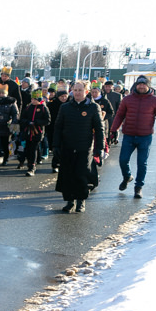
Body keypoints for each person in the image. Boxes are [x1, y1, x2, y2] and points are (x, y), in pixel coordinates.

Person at [109, 75, 156, 199]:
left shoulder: (155, 100)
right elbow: (119, 115)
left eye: (144, 84)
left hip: (145, 137)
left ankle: (138, 187)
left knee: (142, 163)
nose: (141, 86)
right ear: (136, 85)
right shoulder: (127, 99)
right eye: (139, 84)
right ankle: (127, 177)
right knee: (123, 160)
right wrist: (113, 130)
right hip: (129, 135)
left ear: (148, 86)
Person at [53, 81, 104, 213]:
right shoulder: (65, 107)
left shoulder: (93, 107)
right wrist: (56, 145)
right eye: (75, 90)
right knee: (68, 173)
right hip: (68, 145)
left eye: (80, 90)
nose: (77, 93)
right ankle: (70, 201)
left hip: (84, 147)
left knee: (82, 174)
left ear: (86, 91)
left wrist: (100, 147)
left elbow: (99, 129)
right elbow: (58, 127)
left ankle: (81, 201)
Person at [19, 89, 51, 176]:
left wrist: (36, 122)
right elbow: (22, 118)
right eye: (32, 99)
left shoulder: (44, 108)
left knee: (33, 149)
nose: (33, 101)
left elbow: (47, 121)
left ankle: (31, 167)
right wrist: (27, 122)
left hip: (37, 132)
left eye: (35, 99)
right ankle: (24, 162)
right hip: (28, 131)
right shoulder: (28, 108)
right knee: (28, 148)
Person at [47, 87, 69, 173]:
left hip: (67, 129)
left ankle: (65, 165)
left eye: (65, 96)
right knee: (57, 148)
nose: (64, 98)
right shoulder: (52, 104)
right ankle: (55, 164)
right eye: (61, 96)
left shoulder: (70, 104)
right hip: (55, 129)